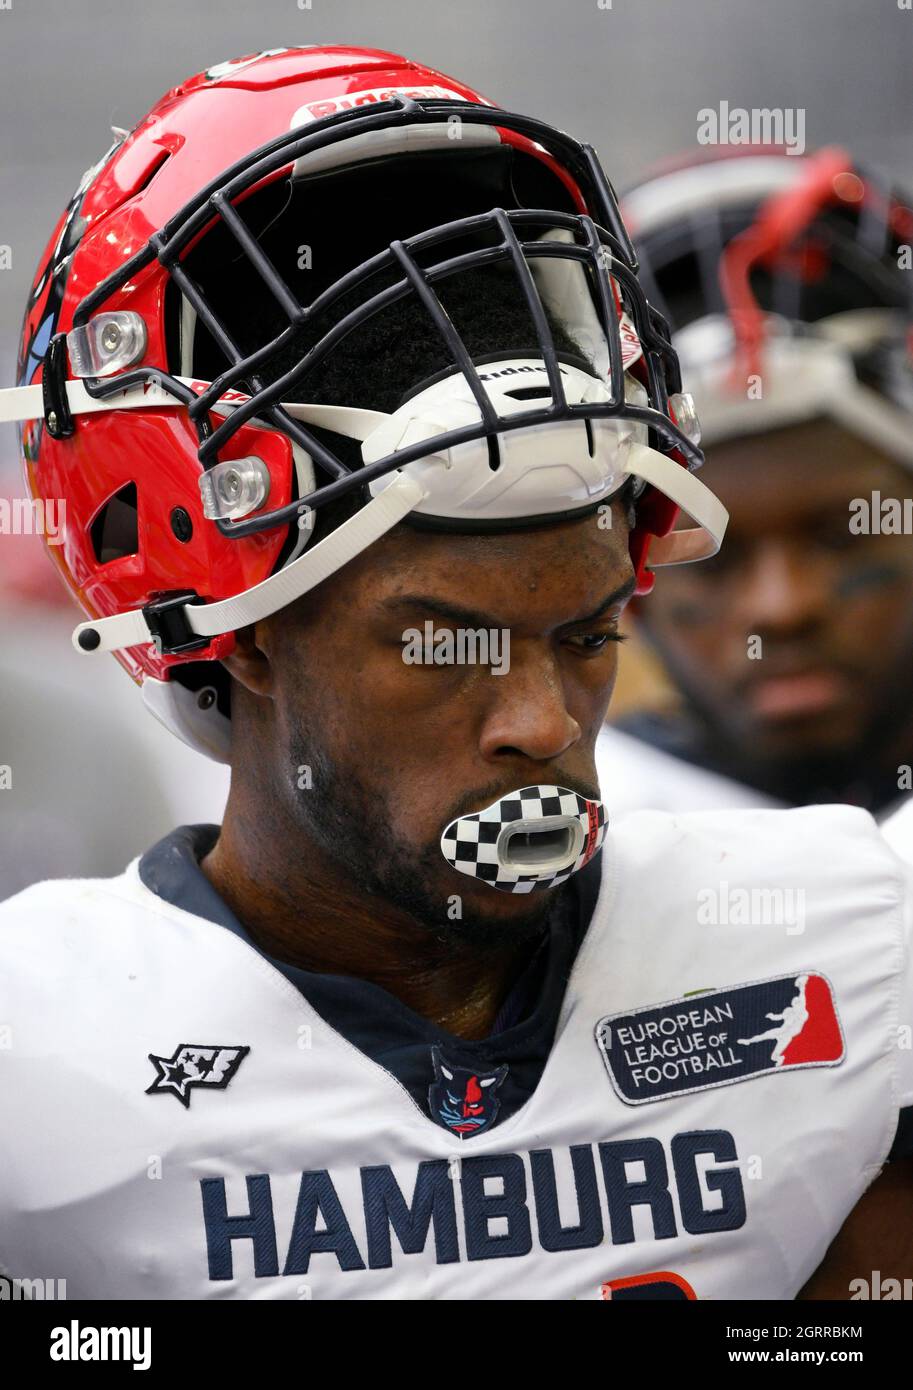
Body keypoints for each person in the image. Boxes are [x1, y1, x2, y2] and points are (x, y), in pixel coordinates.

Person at [0, 46, 909, 1301]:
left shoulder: (856, 936)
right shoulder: (32, 1061)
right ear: (243, 628)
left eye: (589, 634)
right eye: (444, 646)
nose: (542, 723)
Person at [596, 148, 913, 821]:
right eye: (710, 556)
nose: (782, 609)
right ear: (626, 592)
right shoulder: (586, 857)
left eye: (841, 536)